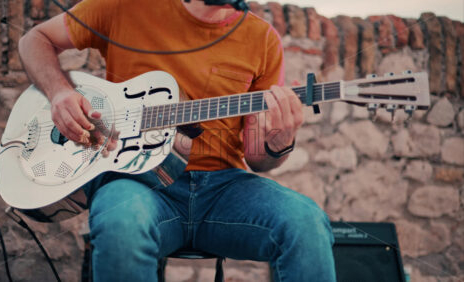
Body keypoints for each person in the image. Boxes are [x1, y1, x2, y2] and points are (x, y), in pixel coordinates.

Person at [18, 0, 336, 281]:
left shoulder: (262, 38)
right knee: (122, 224)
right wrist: (59, 92)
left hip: (224, 191)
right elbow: (36, 39)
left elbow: (256, 157)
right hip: (137, 184)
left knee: (305, 222)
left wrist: (279, 142)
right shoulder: (123, 6)